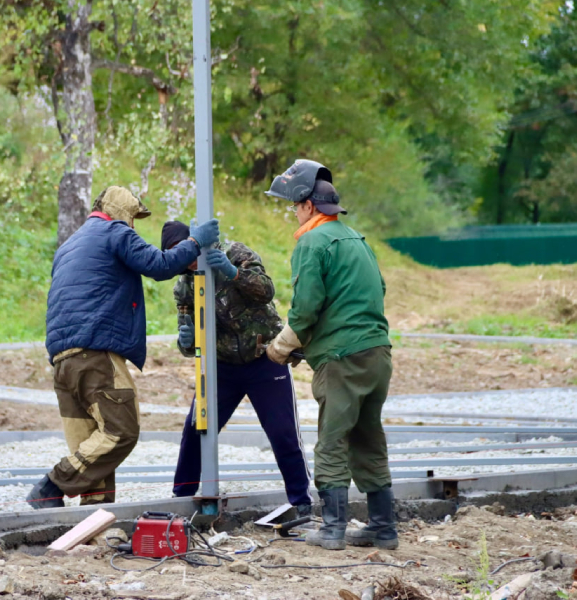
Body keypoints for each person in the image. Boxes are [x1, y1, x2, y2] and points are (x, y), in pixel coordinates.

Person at [26, 186, 220, 509]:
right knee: (121, 430)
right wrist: (195, 242)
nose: (134, 228)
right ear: (123, 214)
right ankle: (51, 485)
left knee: (93, 451)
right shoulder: (114, 231)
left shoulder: (68, 246)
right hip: (95, 355)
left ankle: (92, 526)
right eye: (134, 219)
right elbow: (159, 265)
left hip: (61, 362)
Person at [264, 159, 397, 551]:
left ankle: (333, 529)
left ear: (307, 206)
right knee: (369, 439)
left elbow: (305, 310)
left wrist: (281, 347)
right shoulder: (356, 238)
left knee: (332, 441)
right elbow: (376, 290)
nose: (293, 211)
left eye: (294, 205)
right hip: (377, 354)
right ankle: (383, 528)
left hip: (343, 359)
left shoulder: (312, 242)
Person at [160, 221, 312, 517]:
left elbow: (267, 290)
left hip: (265, 359)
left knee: (282, 431)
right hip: (222, 369)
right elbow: (190, 345)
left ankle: (301, 501)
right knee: (196, 430)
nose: (186, 262)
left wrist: (235, 273)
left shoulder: (235, 253)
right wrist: (186, 340)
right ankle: (181, 497)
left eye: (185, 252)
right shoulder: (185, 286)